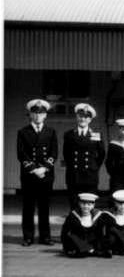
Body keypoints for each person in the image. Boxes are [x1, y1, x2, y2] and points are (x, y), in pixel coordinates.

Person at [17, 99, 58, 246]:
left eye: (41, 113)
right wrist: (34, 169)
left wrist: (44, 168)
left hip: (46, 175)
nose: (38, 116)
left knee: (44, 207)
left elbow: (54, 153)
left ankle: (45, 237)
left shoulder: (51, 132)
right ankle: (28, 236)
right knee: (28, 207)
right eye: (35, 113)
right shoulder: (23, 132)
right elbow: (21, 154)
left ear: (45, 115)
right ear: (30, 115)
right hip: (29, 175)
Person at [63, 103, 106, 206]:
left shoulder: (96, 135)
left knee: (89, 205)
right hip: (74, 174)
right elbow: (66, 154)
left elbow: (101, 154)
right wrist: (72, 167)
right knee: (74, 204)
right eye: (81, 116)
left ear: (90, 119)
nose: (83, 119)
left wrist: (94, 167)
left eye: (86, 117)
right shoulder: (69, 134)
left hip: (90, 175)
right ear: (77, 117)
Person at [61, 193, 111, 258]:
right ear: (79, 204)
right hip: (78, 241)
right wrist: (66, 246)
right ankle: (92, 251)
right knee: (72, 236)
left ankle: (88, 250)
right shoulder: (73, 215)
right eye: (83, 204)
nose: (86, 207)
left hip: (92, 241)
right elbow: (64, 232)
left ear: (93, 205)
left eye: (89, 204)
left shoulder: (98, 216)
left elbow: (100, 232)